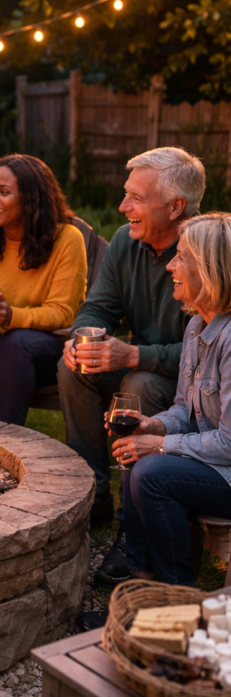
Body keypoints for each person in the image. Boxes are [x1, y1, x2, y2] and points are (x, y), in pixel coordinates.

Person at [58, 146, 205, 586]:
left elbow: (209, 352)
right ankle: (91, 495)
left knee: (138, 385)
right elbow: (97, 308)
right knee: (73, 369)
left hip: (191, 385)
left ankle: (131, 524)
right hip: (141, 360)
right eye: (126, 195)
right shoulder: (126, 242)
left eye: (135, 198)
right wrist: (83, 339)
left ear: (175, 206)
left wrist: (136, 355)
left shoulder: (210, 255)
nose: (123, 208)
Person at [112, 213, 231, 586]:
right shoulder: (197, 325)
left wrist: (162, 445)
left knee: (152, 473)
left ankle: (176, 595)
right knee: (137, 456)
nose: (170, 266)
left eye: (181, 258)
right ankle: (141, 584)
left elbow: (229, 442)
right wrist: (154, 425)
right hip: (215, 463)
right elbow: (185, 406)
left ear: (211, 269)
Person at [0, 154, 87, 425]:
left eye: (4, 192)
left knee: (15, 343)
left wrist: (11, 317)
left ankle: (8, 442)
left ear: (31, 199)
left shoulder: (67, 240)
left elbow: (63, 313)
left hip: (47, 349)